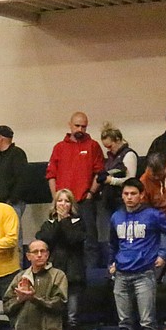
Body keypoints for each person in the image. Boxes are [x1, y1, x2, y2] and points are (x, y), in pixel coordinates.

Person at [109, 179, 166, 330]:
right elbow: (112, 244)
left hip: (144, 273)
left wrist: (165, 255)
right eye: (126, 194)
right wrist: (111, 262)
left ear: (141, 195)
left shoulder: (152, 215)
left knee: (147, 322)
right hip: (121, 274)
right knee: (124, 322)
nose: (129, 197)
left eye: (133, 194)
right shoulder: (116, 217)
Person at [48, 113, 106, 265]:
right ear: (70, 125)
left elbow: (99, 172)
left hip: (84, 201)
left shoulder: (93, 146)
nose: (80, 129)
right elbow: (51, 175)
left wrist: (91, 193)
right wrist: (56, 199)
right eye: (77, 125)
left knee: (90, 240)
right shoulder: (59, 148)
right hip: (63, 203)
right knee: (61, 239)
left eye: (84, 126)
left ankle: (91, 275)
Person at [37, 188, 86, 330]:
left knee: (72, 316)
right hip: (54, 277)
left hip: (74, 276)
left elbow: (73, 239)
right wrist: (57, 222)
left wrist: (65, 221)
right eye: (60, 200)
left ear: (71, 205)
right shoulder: (48, 224)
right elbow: (47, 239)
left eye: (67, 201)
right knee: (55, 315)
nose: (63, 204)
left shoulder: (78, 223)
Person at [98, 123, 139, 262]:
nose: (109, 149)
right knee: (113, 236)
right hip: (110, 201)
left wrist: (110, 180)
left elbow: (130, 180)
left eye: (110, 146)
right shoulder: (111, 157)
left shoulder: (129, 155)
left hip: (122, 202)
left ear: (118, 140)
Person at [0, 124, 31, 243]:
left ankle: (17, 262)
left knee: (13, 237)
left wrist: (12, 200)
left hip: (12, 203)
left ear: (1, 138)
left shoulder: (17, 153)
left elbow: (22, 178)